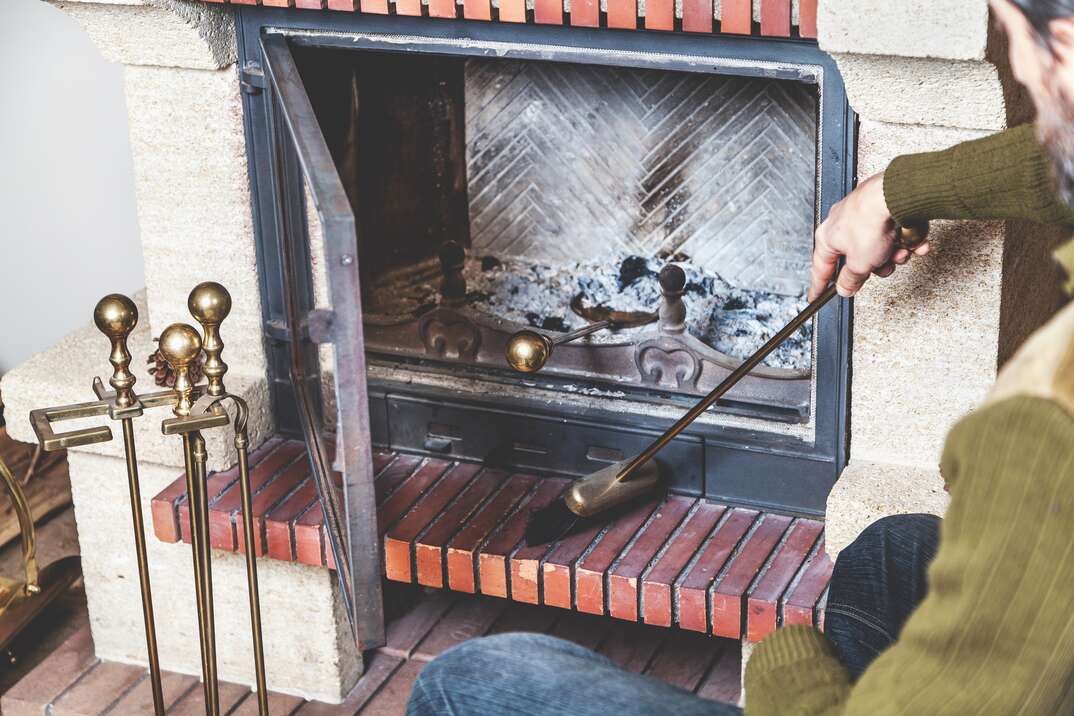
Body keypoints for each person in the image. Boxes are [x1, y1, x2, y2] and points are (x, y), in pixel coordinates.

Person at [406, 1, 1074, 713]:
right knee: (894, 549)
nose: (1021, 69)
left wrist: (787, 651)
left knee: (471, 680)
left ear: (1061, 47)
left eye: (1010, 35)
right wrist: (892, 191)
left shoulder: (1044, 420)